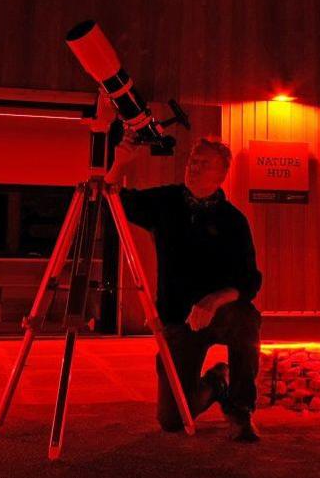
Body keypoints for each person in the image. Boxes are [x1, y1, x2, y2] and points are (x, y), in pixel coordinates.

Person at [107, 134, 263, 442]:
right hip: (178, 318)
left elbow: (249, 280)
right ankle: (216, 384)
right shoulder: (165, 203)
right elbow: (113, 200)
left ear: (222, 174)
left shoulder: (233, 221)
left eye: (205, 163)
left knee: (247, 318)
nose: (194, 167)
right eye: (193, 160)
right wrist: (118, 165)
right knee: (172, 419)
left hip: (220, 314)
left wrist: (213, 301)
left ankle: (240, 409)